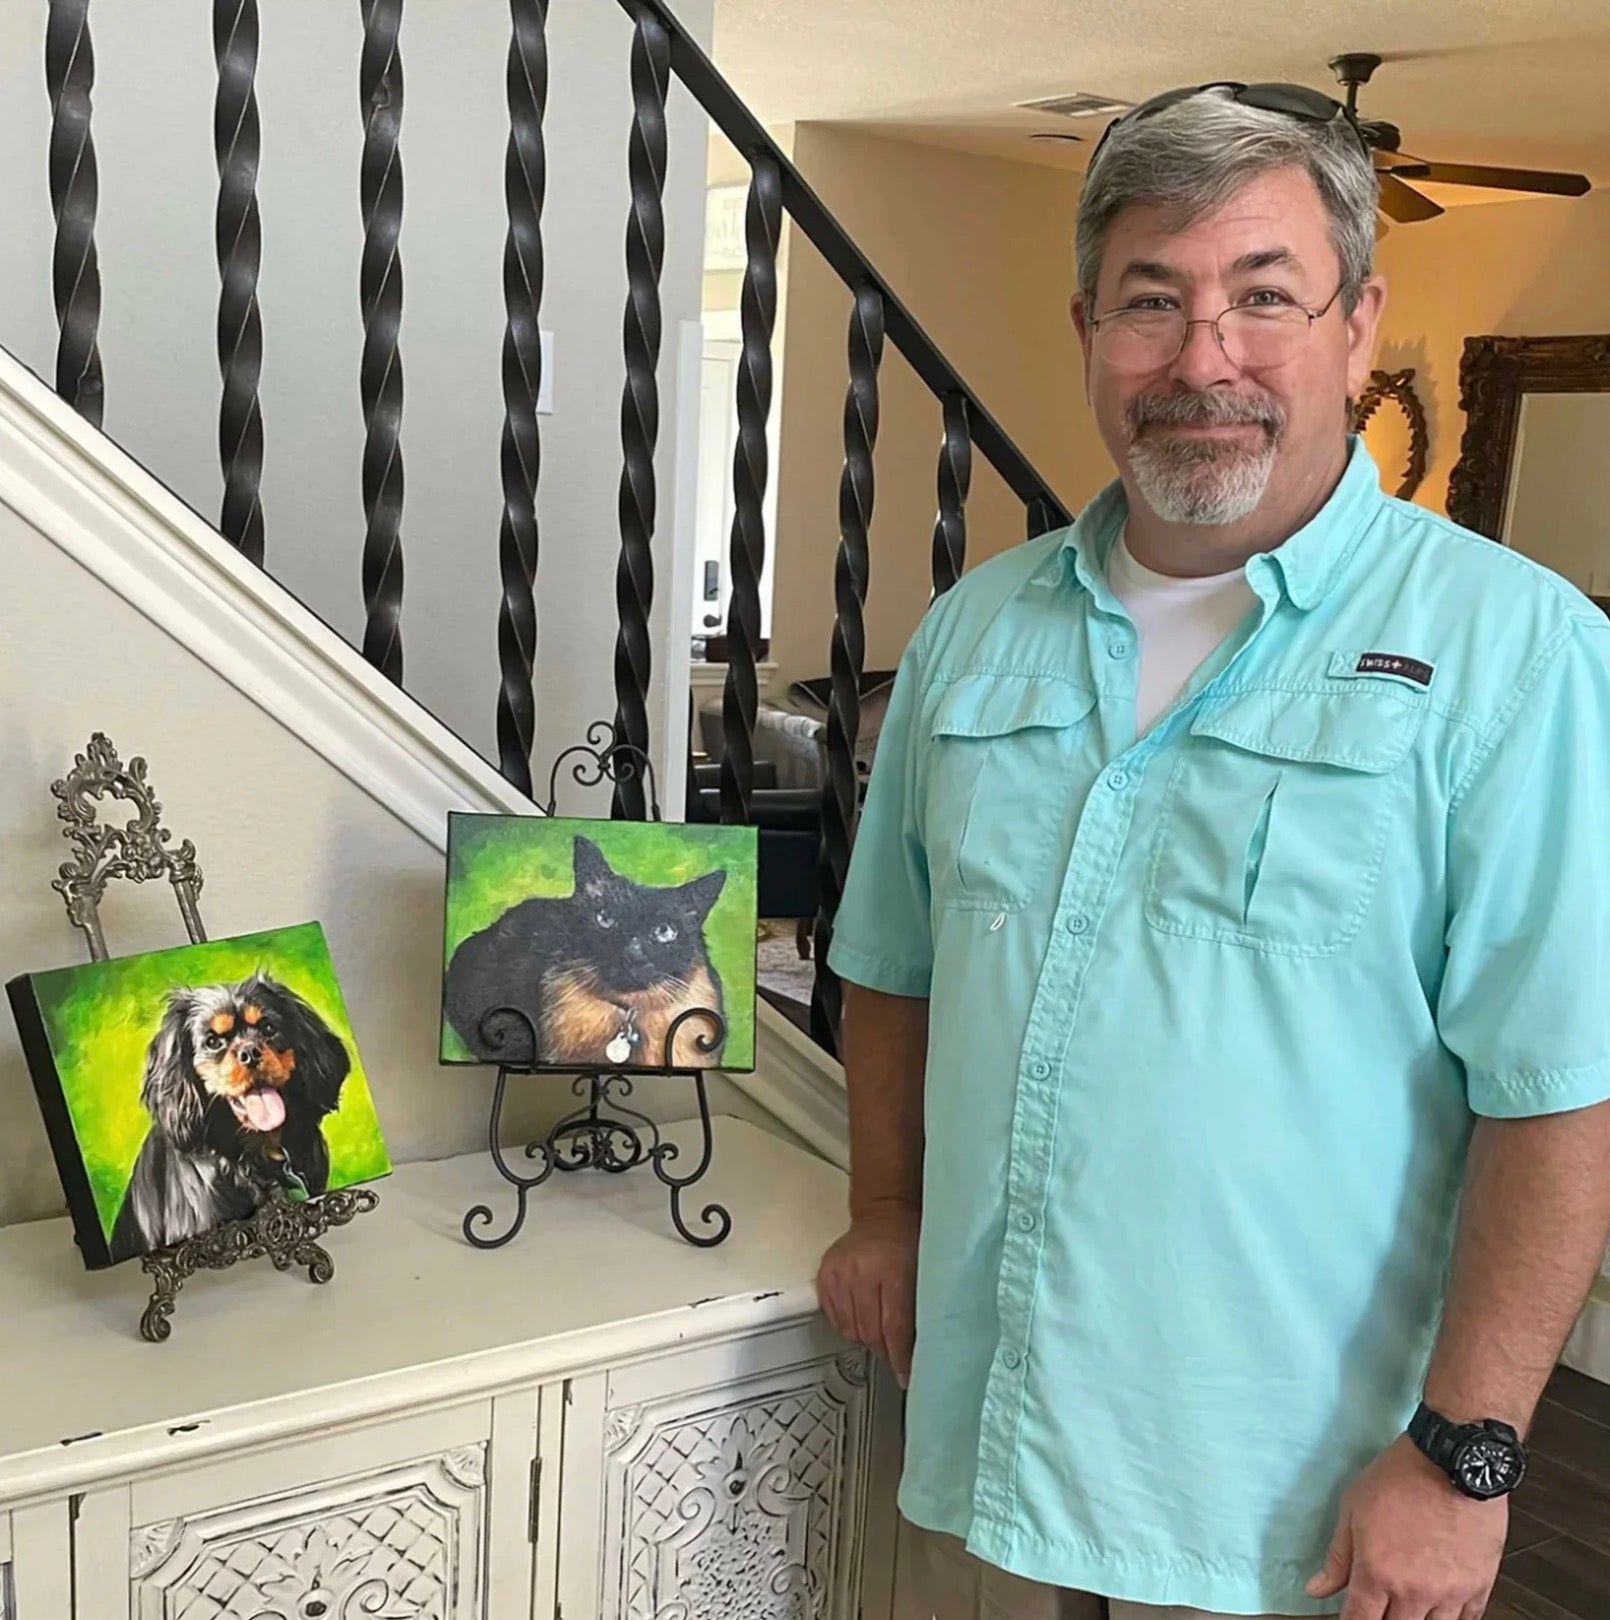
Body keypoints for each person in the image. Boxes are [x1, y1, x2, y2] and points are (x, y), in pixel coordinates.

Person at [815, 81, 1610, 1620]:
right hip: (984, 1433)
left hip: (1290, 1499)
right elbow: (892, 967)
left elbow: (1557, 1091)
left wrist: (1463, 1456)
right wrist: (888, 1207)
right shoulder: (974, 634)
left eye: (1262, 296)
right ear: (1085, 329)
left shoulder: (1514, 655)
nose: (1201, 360)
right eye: (1149, 301)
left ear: (1356, 325)